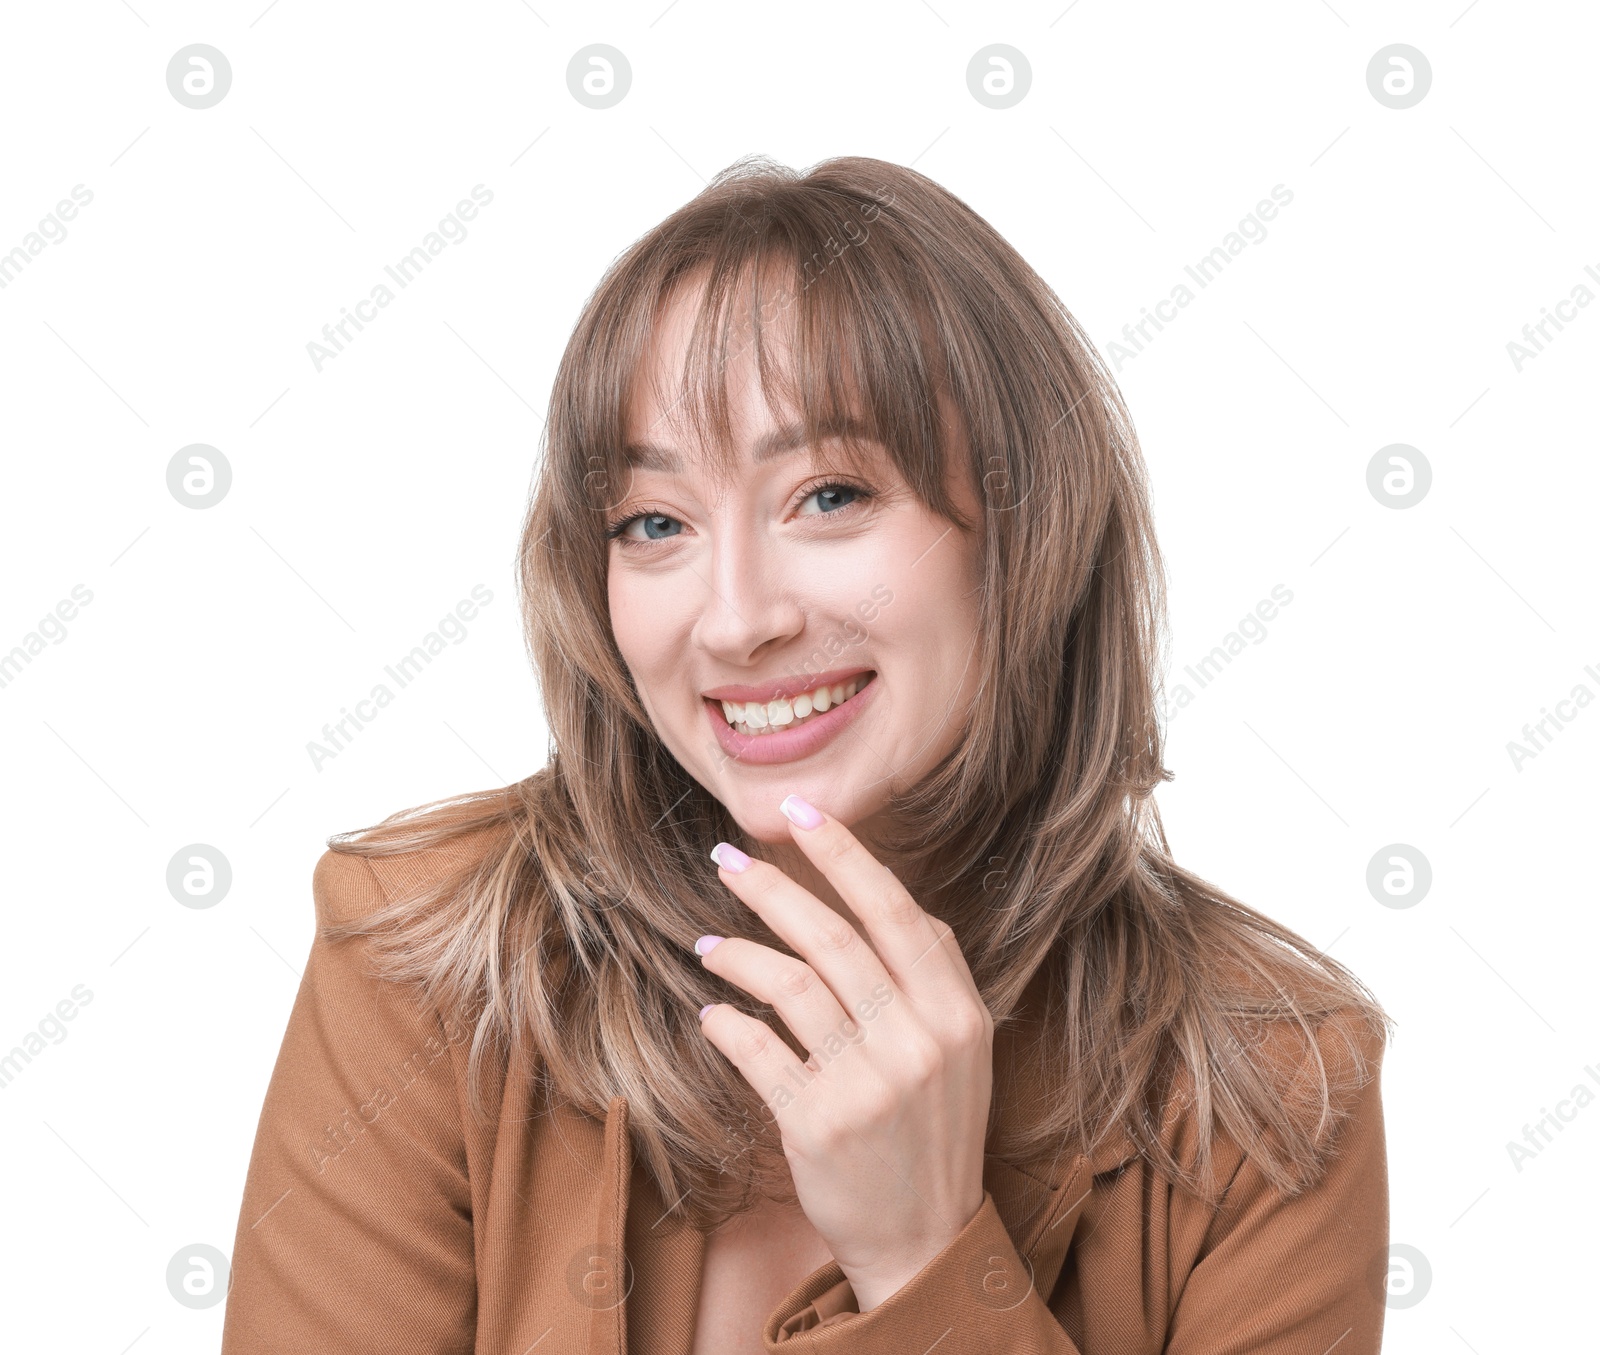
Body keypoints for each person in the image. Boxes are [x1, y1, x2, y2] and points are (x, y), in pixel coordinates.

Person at [220, 154, 1392, 1354]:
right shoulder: (429, 954)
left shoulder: (1269, 1083)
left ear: (1025, 529)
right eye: (654, 523)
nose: (734, 619)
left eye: (828, 495)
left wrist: (926, 1258)